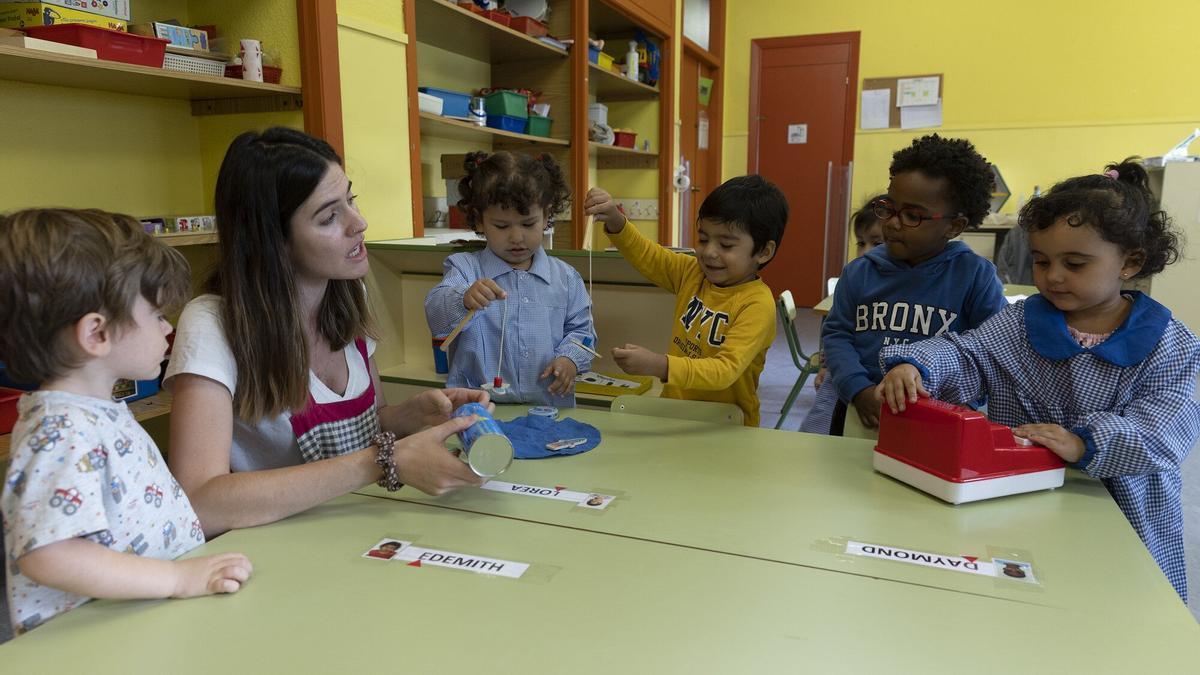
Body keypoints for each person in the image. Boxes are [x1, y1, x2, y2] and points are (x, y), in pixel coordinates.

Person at [877, 159, 1200, 601]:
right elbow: (967, 353)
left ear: (1131, 262)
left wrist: (1086, 443)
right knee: (1030, 587)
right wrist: (917, 364)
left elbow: (1167, 429)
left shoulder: (1170, 343)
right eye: (1042, 261)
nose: (1053, 276)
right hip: (1023, 493)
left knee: (1121, 602)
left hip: (1125, 509)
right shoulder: (1019, 323)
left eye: (1076, 263)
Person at [164, 128, 489, 537]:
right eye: (329, 216)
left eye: (350, 200)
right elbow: (199, 503)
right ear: (273, 241)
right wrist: (383, 461)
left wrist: (410, 416)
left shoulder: (346, 295)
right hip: (269, 552)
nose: (360, 223)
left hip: (347, 530)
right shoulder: (213, 324)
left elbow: (367, 427)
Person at [0, 209, 252, 636]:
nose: (167, 330)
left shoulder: (93, 412)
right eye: (156, 315)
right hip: (91, 644)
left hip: (134, 626)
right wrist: (176, 579)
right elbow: (50, 555)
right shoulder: (62, 431)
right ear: (96, 334)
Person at [822, 134, 1007, 434]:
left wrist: (961, 405)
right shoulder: (859, 272)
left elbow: (989, 351)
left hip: (940, 416)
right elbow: (837, 335)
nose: (893, 223)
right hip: (864, 410)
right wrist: (858, 390)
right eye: (889, 208)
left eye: (912, 216)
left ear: (954, 226)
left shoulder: (976, 276)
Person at [583, 176, 787, 426]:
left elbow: (724, 371)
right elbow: (650, 256)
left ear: (764, 252)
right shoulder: (693, 273)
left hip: (727, 426)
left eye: (725, 244)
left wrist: (659, 365)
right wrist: (615, 221)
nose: (709, 252)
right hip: (675, 412)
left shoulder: (756, 305)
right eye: (703, 239)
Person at [425, 151, 594, 407]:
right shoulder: (465, 269)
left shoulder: (566, 278)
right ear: (480, 221)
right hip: (477, 409)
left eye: (528, 224)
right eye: (502, 226)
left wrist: (570, 359)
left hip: (548, 408)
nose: (516, 237)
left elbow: (583, 333)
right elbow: (436, 317)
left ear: (547, 216)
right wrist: (463, 299)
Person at [799, 195, 886, 434]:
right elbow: (837, 331)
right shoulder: (856, 278)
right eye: (861, 242)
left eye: (877, 243)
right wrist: (826, 367)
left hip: (879, 387)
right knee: (815, 435)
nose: (866, 251)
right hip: (842, 378)